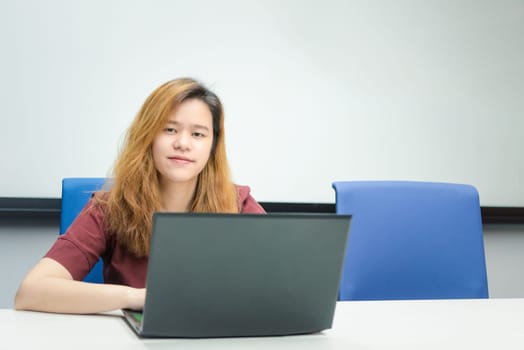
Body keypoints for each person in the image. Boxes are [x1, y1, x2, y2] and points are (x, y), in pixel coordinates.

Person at [15, 78, 266, 314]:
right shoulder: (109, 207)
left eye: (198, 134)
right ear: (148, 136)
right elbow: (31, 291)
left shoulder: (238, 203)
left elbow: (289, 282)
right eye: (169, 129)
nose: (183, 143)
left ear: (212, 146)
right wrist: (138, 298)